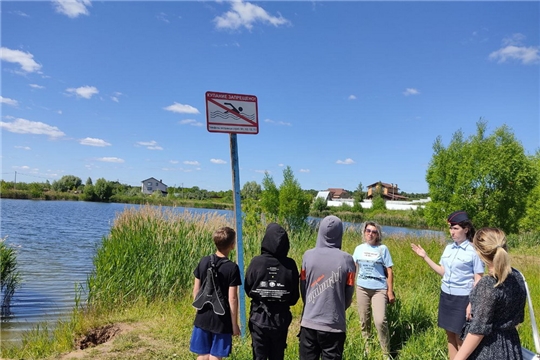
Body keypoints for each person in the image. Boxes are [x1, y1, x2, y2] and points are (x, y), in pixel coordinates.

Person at [410, 210, 484, 360]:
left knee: (461, 338)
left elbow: (478, 279)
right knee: (450, 336)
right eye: (450, 228)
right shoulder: (448, 248)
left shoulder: (474, 250)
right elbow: (443, 271)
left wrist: (472, 302)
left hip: (463, 299)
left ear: (466, 229)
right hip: (446, 296)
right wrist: (425, 257)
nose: (452, 232)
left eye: (455, 228)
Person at [455, 227, 526, 360]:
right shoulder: (517, 276)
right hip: (512, 345)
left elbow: (478, 331)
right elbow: (518, 317)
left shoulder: (488, 284)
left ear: (478, 252)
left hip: (488, 349)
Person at [299, 215, 356, 360]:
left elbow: (303, 287)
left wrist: (310, 305)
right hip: (334, 324)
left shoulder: (308, 256)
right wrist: (338, 307)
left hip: (309, 322)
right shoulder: (347, 260)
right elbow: (349, 293)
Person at [244, 223, 300, 360]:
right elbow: (294, 298)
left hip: (258, 317)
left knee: (259, 355)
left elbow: (248, 288)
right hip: (280, 319)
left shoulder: (256, 262)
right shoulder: (290, 265)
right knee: (277, 355)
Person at [190, 227, 242, 360]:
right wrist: (234, 324)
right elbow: (233, 298)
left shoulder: (203, 261)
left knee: (202, 355)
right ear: (232, 245)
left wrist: (199, 311)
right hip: (222, 319)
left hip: (202, 315)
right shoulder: (232, 268)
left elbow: (196, 290)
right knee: (216, 356)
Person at [352, 221, 395, 359]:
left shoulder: (383, 249)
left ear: (378, 234)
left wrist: (390, 291)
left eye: (374, 232)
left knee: (380, 320)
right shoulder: (359, 249)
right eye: (368, 231)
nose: (370, 234)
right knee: (364, 320)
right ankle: (367, 347)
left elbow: (389, 270)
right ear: (364, 232)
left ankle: (385, 352)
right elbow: (353, 268)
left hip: (379, 289)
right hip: (362, 288)